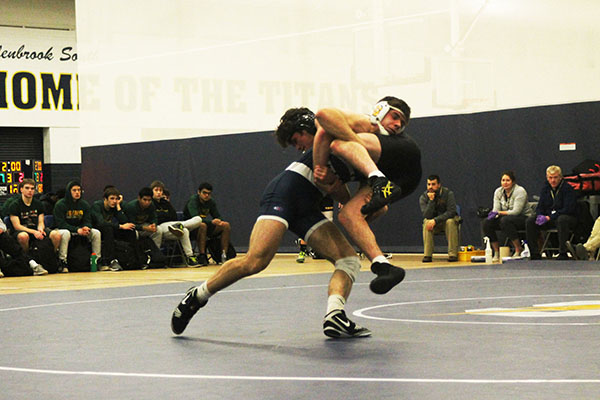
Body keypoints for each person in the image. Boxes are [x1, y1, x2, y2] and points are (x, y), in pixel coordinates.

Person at [171, 146, 404, 339]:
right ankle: (197, 296)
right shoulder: (347, 142)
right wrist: (349, 200)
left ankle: (335, 315)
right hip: (284, 195)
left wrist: (361, 206)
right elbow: (332, 184)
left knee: (349, 261)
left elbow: (344, 194)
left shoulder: (367, 164)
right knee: (256, 261)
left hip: (306, 207)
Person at [309, 98, 421, 276]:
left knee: (339, 144)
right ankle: (382, 265)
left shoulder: (369, 123)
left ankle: (378, 180)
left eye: (402, 122)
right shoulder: (327, 142)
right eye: (395, 117)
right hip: (392, 180)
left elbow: (322, 115)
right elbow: (340, 194)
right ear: (381, 110)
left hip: (403, 160)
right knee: (348, 215)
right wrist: (324, 176)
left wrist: (319, 166)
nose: (398, 124)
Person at [7, 179, 61, 274]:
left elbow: (41, 221)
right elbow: (17, 226)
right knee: (23, 236)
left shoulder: (38, 204)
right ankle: (28, 260)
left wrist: (40, 229)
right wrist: (34, 232)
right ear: (21, 190)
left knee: (56, 235)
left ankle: (50, 259)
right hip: (22, 230)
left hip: (36, 229)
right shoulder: (14, 205)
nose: (30, 191)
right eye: (27, 188)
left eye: (32, 188)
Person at [526, 165, 578, 260]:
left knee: (562, 219)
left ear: (560, 177)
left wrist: (550, 217)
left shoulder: (567, 189)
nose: (553, 180)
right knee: (530, 221)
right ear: (547, 178)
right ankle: (534, 253)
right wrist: (540, 215)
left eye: (555, 177)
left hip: (566, 217)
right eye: (550, 178)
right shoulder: (545, 189)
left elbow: (568, 208)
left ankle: (563, 252)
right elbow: (540, 206)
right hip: (549, 217)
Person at [482, 171, 534, 260]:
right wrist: (493, 215)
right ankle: (496, 252)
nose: (505, 183)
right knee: (487, 222)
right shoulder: (498, 191)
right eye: (503, 180)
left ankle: (518, 249)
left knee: (505, 221)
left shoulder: (520, 191)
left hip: (523, 217)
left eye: (508, 180)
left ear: (513, 182)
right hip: (506, 217)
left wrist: (499, 213)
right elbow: (496, 209)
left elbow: (516, 211)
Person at [150, 180, 202, 267]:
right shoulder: (150, 203)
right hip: (161, 227)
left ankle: (190, 257)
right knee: (182, 229)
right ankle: (179, 226)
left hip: (172, 225)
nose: (159, 192)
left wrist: (164, 215)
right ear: (152, 191)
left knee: (196, 221)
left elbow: (173, 216)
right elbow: (156, 218)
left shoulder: (166, 203)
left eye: (160, 190)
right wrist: (164, 216)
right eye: (156, 190)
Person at [54, 180, 102, 272]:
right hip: (63, 229)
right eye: (74, 190)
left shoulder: (84, 204)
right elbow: (60, 224)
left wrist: (86, 227)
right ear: (69, 191)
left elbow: (88, 220)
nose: (77, 193)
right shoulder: (60, 204)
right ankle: (63, 261)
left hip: (80, 229)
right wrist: (77, 230)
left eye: (79, 190)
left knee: (96, 233)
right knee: (66, 233)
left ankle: (96, 261)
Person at [184, 183, 231, 266]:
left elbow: (217, 215)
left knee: (226, 225)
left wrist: (220, 221)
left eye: (209, 194)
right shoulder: (193, 201)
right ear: (199, 192)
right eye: (204, 193)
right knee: (202, 225)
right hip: (191, 228)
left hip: (205, 225)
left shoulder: (211, 202)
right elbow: (195, 218)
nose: (207, 195)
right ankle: (202, 255)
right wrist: (211, 222)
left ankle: (224, 254)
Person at [91, 186, 137, 271]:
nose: (114, 201)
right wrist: (120, 226)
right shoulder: (97, 205)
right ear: (105, 199)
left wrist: (118, 206)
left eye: (116, 199)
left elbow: (124, 222)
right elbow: (101, 223)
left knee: (130, 229)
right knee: (108, 229)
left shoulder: (114, 207)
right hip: (97, 230)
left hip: (110, 229)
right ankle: (110, 261)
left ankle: (133, 259)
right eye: (112, 198)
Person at [419, 175, 460, 262]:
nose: (430, 187)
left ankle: (453, 254)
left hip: (446, 223)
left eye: (433, 184)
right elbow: (427, 215)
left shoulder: (448, 194)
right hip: (434, 225)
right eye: (428, 184)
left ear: (439, 185)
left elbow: (451, 212)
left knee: (450, 222)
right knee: (426, 222)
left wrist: (436, 220)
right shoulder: (423, 197)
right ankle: (427, 255)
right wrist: (431, 201)